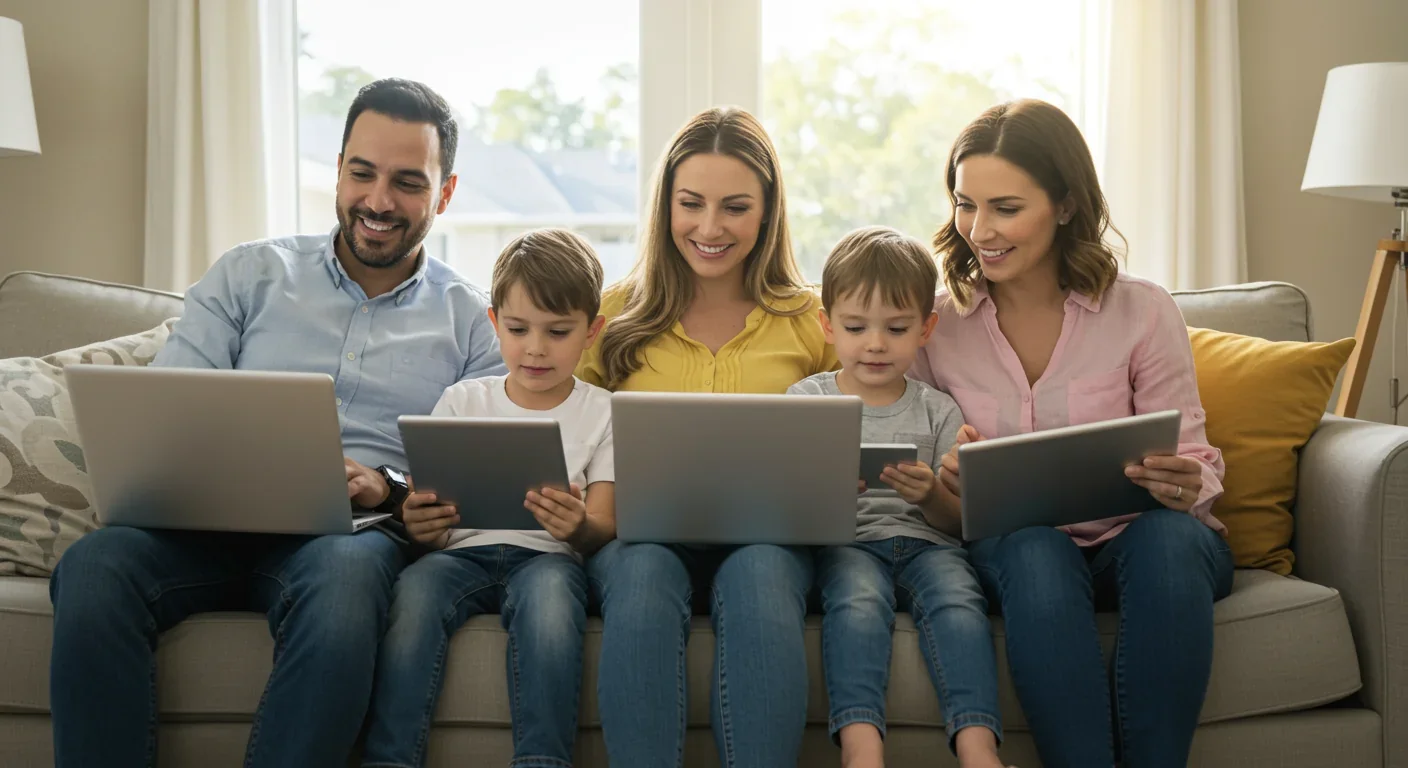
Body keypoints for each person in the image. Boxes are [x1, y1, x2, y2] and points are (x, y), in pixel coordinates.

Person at [47, 78, 505, 768]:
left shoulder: (473, 322)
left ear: (444, 194)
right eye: (362, 173)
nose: (378, 201)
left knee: (346, 588)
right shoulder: (250, 274)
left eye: (408, 182)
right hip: (202, 528)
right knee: (94, 567)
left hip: (347, 539)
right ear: (339, 170)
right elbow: (168, 407)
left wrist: (388, 484)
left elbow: (475, 481)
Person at [913, 99, 1234, 768]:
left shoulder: (1141, 310)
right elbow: (921, 484)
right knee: (1033, 547)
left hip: (1138, 546)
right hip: (1019, 555)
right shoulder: (937, 327)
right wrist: (946, 480)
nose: (979, 230)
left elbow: (1194, 457)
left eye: (1006, 208)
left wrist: (1185, 482)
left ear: (1064, 205)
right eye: (966, 205)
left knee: (1171, 538)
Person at [576, 106, 837, 767]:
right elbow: (562, 426)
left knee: (762, 572)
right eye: (690, 203)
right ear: (665, 204)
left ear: (768, 212)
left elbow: (860, 428)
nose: (710, 228)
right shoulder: (612, 315)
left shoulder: (813, 320)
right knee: (642, 573)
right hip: (639, 539)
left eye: (735, 207)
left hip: (769, 542)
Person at [361, 228, 614, 768]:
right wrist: (419, 525)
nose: (536, 348)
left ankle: (542, 760)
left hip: (548, 559)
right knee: (413, 597)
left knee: (551, 613)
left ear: (591, 331)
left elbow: (603, 524)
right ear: (495, 323)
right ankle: (390, 759)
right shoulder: (462, 400)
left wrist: (578, 527)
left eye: (558, 331)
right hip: (459, 555)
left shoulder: (603, 411)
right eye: (518, 329)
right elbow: (423, 507)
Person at [790, 226, 1008, 768]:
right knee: (857, 604)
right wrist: (823, 491)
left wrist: (932, 493)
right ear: (827, 325)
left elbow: (957, 523)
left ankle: (978, 749)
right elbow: (786, 505)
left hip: (929, 546)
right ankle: (862, 750)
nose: (875, 344)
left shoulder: (940, 409)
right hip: (848, 546)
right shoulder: (807, 399)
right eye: (855, 327)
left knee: (959, 602)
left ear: (926, 328)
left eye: (896, 328)